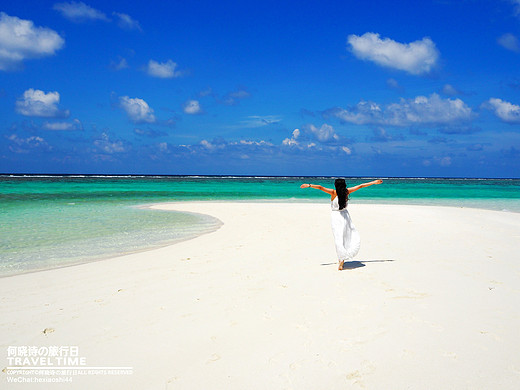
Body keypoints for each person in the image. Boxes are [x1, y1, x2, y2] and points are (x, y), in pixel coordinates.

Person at [300, 179, 383, 270]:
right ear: (344, 185)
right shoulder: (347, 192)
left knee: (338, 238)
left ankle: (341, 260)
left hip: (336, 216)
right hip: (345, 215)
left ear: (336, 185)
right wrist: (374, 182)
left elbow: (320, 187)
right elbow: (361, 186)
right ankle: (342, 259)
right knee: (346, 236)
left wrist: (309, 185)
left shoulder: (333, 192)